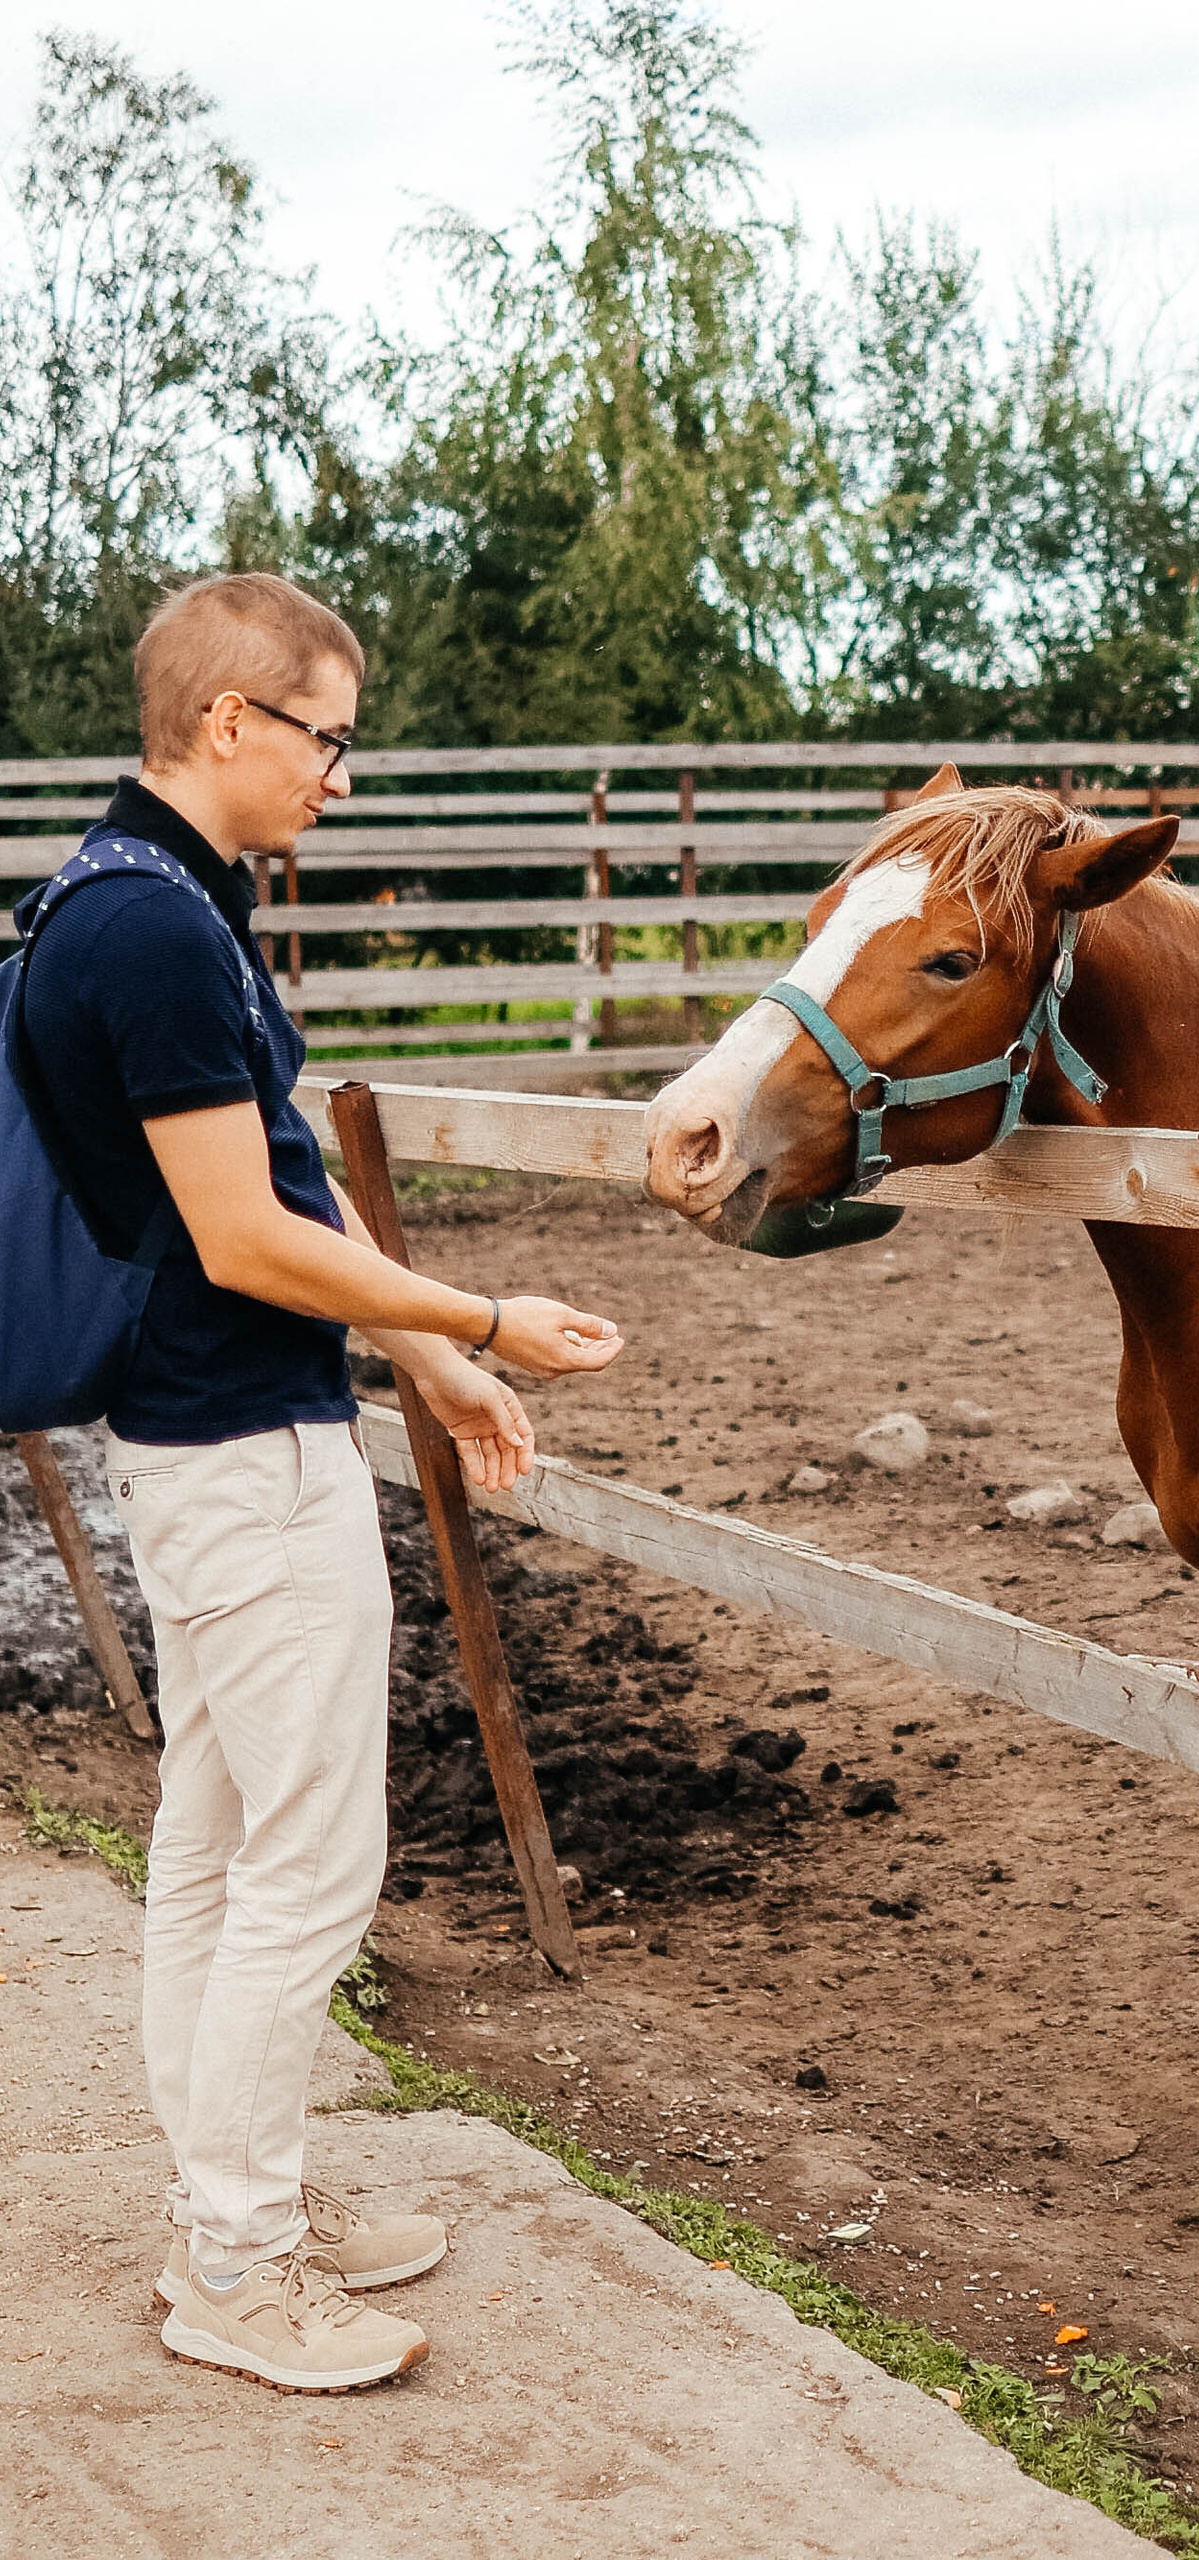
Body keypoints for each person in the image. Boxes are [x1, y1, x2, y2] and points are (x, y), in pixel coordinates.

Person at [13, 572, 626, 2393]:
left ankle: (239, 2208)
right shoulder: (147, 937)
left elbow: (280, 1165)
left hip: (219, 1444)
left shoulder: (159, 899)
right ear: (230, 723)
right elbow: (241, 1234)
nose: (341, 778)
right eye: (329, 739)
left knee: (212, 1846)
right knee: (305, 1867)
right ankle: (236, 2260)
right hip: (241, 1454)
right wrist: (483, 1310)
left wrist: (426, 1363)